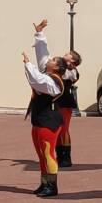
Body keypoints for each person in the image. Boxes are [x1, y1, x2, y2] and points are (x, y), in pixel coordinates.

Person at [33, 19, 82, 168]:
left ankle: (65, 157)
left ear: (72, 61)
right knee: (57, 129)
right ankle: (59, 155)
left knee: (64, 129)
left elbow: (69, 75)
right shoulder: (58, 67)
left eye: (68, 54)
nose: (65, 54)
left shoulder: (70, 71)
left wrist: (67, 66)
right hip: (54, 103)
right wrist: (39, 33)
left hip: (64, 103)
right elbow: (43, 56)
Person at [23, 50, 66, 198]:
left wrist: (28, 64)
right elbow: (42, 57)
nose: (49, 59)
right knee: (41, 155)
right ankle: (44, 183)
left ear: (56, 67)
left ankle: (52, 186)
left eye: (53, 59)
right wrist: (39, 35)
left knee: (48, 154)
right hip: (39, 120)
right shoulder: (48, 75)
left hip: (49, 122)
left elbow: (36, 80)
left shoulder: (53, 81)